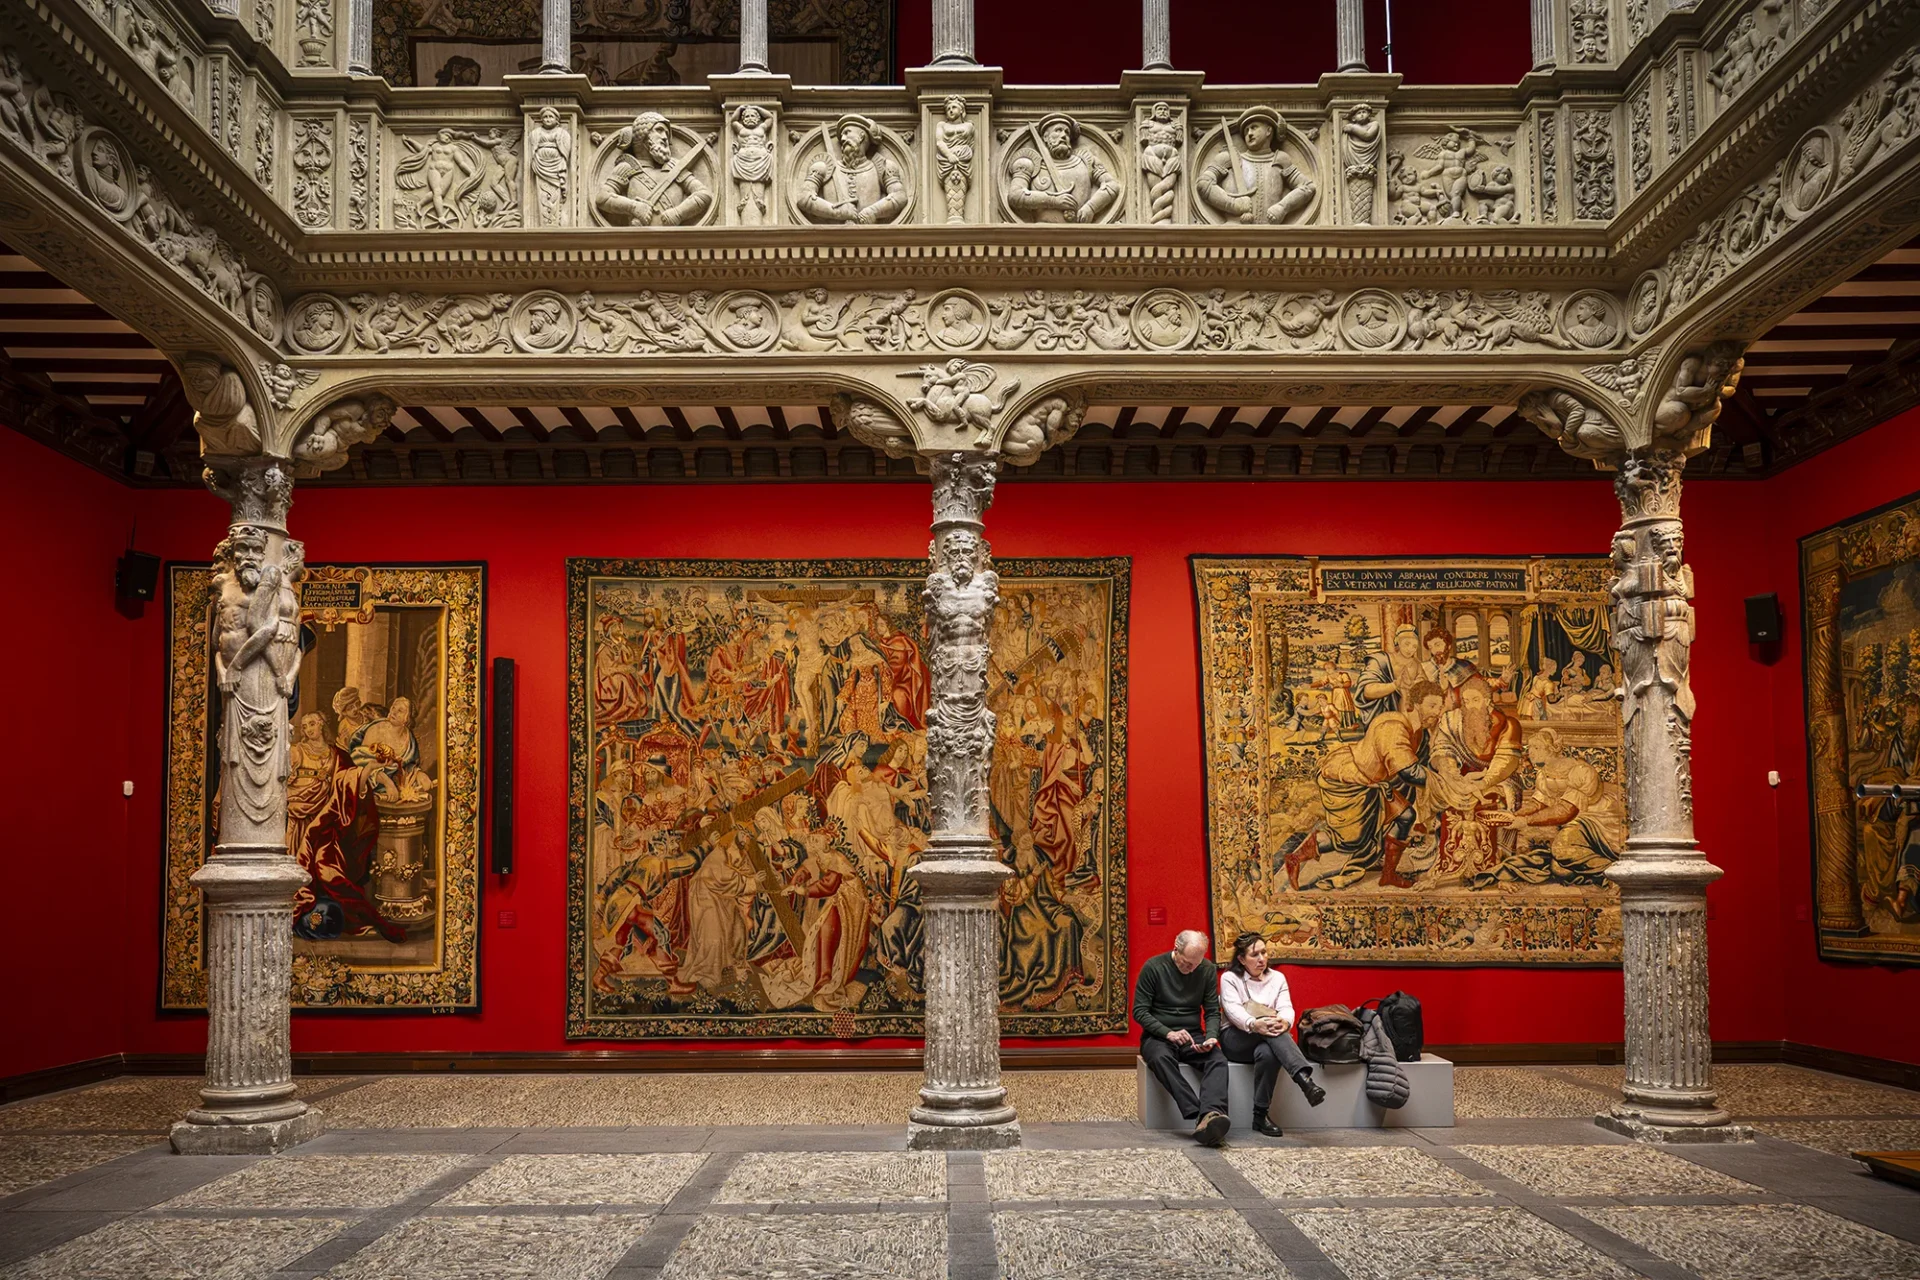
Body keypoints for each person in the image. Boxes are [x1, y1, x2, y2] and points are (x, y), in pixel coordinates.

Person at [1219, 931, 1325, 1136]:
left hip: (1268, 1037)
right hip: (1236, 1038)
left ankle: (1260, 1116)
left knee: (1268, 1054)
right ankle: (1304, 1080)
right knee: (1270, 1033)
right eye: (1254, 955)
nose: (1261, 959)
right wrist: (1253, 1024)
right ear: (1241, 959)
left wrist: (1285, 1022)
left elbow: (1286, 1007)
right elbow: (1232, 1011)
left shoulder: (1277, 978)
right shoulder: (1230, 978)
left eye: (1264, 952)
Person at [1133, 929, 1231, 1146]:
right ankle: (1198, 1114)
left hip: (1192, 1034)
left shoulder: (1205, 969)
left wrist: (1211, 1038)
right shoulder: (1154, 967)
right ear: (1175, 950)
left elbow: (1213, 1011)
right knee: (1160, 1059)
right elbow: (1139, 1011)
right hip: (1158, 1035)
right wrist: (1167, 1033)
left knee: (1217, 1060)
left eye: (1196, 964)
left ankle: (1212, 1113)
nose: (1191, 969)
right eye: (1187, 963)